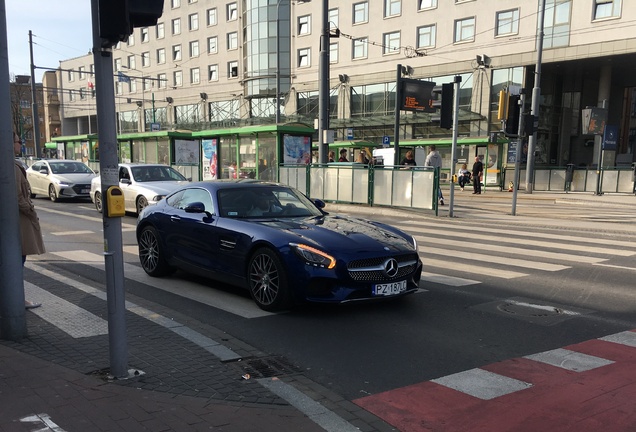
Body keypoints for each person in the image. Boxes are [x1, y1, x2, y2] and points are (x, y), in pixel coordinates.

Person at [13, 132, 45, 309]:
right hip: (19, 222)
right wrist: (31, 212)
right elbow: (18, 196)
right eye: (19, 141)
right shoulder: (13, 166)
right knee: (18, 262)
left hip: (15, 221)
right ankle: (17, 298)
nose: (21, 144)